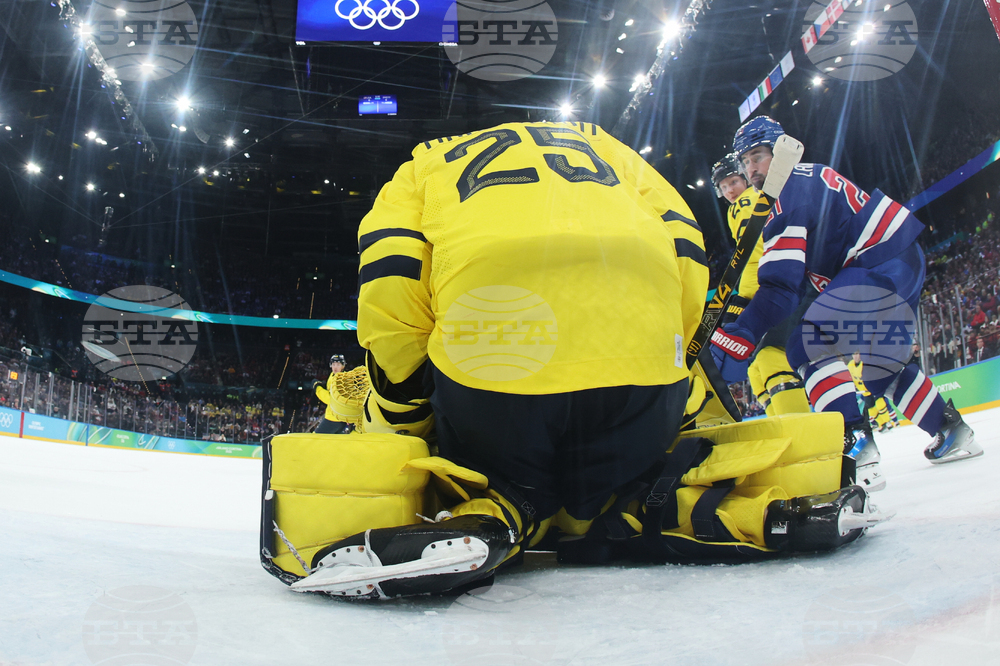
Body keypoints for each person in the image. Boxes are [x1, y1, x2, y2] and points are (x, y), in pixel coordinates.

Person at [280, 121, 883, 599]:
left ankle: (494, 516)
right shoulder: (607, 146)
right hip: (641, 374)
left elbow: (391, 284)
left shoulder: (422, 168)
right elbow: (686, 247)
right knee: (630, 477)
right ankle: (767, 509)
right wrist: (671, 362)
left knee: (497, 466)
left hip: (500, 371)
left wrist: (411, 431)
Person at [711, 116, 983, 478]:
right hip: (899, 261)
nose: (751, 168)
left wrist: (744, 328)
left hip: (877, 265)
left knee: (806, 346)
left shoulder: (785, 196)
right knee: (880, 371)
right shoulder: (812, 173)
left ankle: (854, 442)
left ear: (780, 149)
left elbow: (781, 286)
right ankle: (952, 431)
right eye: (745, 161)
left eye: (757, 156)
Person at [711, 153, 813, 419]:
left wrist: (742, 298)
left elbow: (755, 252)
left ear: (744, 179)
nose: (729, 190)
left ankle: (799, 431)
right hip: (788, 280)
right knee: (757, 369)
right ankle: (786, 426)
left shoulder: (745, 203)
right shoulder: (748, 203)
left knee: (771, 357)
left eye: (733, 181)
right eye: (723, 187)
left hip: (779, 286)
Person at [312, 354, 354, 434]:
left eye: (338, 364)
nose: (335, 367)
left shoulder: (341, 380)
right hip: (337, 416)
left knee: (316, 438)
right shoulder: (333, 376)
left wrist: (317, 388)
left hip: (335, 417)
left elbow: (332, 400)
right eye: (333, 364)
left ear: (343, 366)